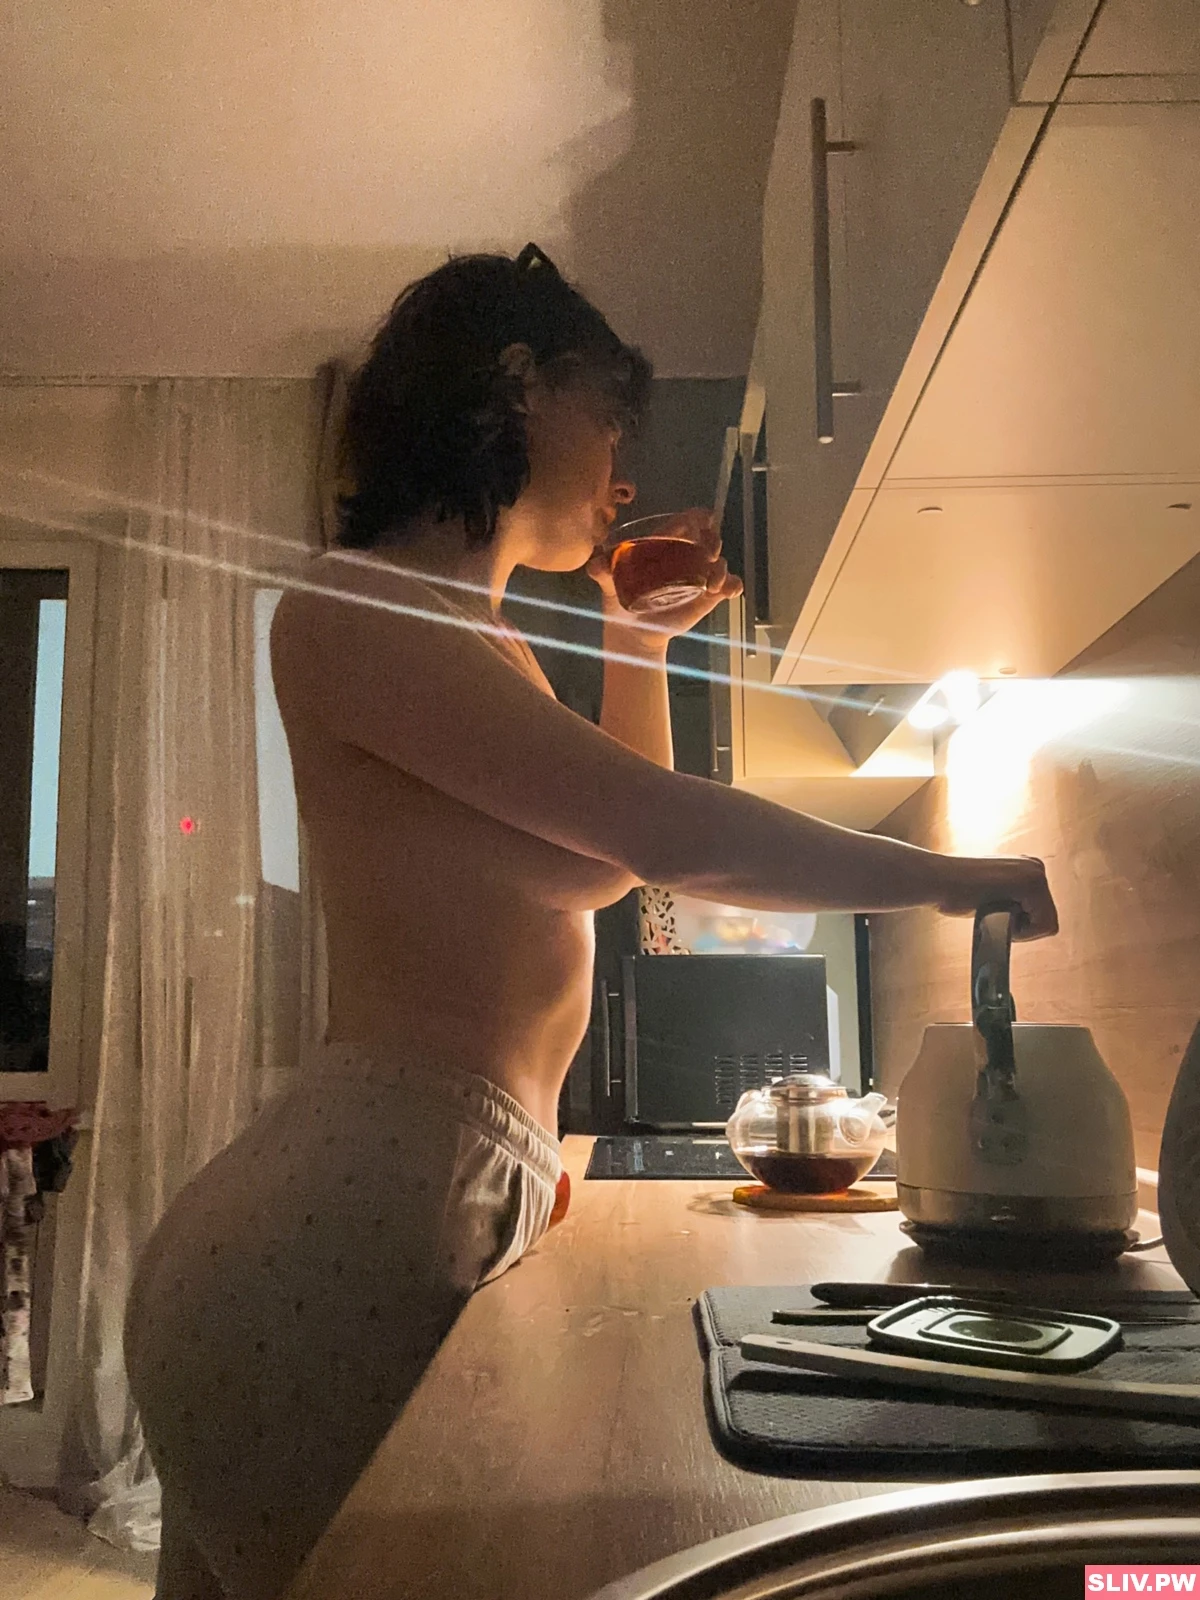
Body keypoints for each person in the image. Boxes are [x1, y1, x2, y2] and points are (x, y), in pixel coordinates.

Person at [124, 244, 1057, 1600]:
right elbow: (666, 834)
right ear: (519, 386)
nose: (622, 476)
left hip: (416, 1184)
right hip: (356, 1213)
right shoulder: (358, 605)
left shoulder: (476, 639)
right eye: (609, 420)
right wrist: (950, 878)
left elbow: (607, 866)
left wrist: (639, 643)